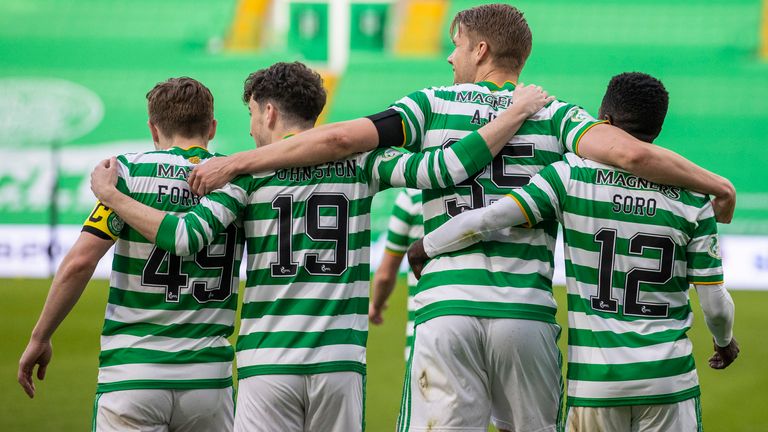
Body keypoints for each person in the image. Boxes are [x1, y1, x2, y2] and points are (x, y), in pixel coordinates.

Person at [182, 6, 734, 430]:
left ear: (482, 49)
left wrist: (240, 161)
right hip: (526, 314)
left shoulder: (431, 103)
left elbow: (339, 139)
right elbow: (632, 155)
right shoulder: (555, 113)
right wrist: (716, 183)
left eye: (457, 46)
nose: (450, 58)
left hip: (447, 307)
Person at [88, 62, 553, 432]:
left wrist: (110, 195)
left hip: (267, 360)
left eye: (252, 114)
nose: (251, 129)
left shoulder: (242, 172)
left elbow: (183, 237)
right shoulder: (364, 160)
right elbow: (443, 169)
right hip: (339, 362)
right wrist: (512, 114)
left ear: (268, 112)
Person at [408, 72, 739, 432]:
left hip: (596, 384)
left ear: (604, 121)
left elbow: (492, 217)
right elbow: (715, 302)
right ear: (657, 129)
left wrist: (427, 245)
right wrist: (724, 342)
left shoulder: (570, 175)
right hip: (669, 380)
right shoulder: (694, 199)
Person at [18, 77, 244, 431]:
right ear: (211, 128)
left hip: (132, 374)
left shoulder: (127, 175)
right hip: (208, 378)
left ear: (154, 129)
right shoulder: (235, 179)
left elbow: (80, 263)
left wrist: (40, 337)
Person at [370, 189, 423, 360]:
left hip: (426, 326)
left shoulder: (412, 195)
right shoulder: (504, 191)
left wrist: (376, 305)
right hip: (502, 313)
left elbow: (385, 274)